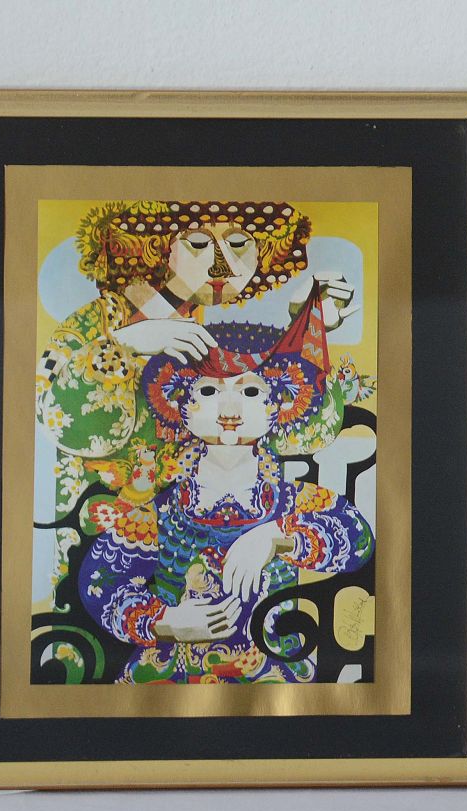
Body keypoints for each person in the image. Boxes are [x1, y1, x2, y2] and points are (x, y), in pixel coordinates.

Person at [35, 200, 358, 595]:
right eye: (199, 244)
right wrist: (124, 345)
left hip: (216, 535)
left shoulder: (202, 329)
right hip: (111, 531)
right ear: (157, 246)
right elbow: (64, 423)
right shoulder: (99, 321)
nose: (221, 266)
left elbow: (299, 432)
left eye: (238, 244)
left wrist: (305, 328)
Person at [78, 310, 373, 683]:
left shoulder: (290, 503)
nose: (229, 411)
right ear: (180, 403)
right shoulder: (163, 513)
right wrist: (166, 623)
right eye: (208, 391)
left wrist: (276, 537)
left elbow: (358, 540)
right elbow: (99, 582)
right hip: (173, 677)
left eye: (250, 392)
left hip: (273, 679)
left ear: (277, 404)